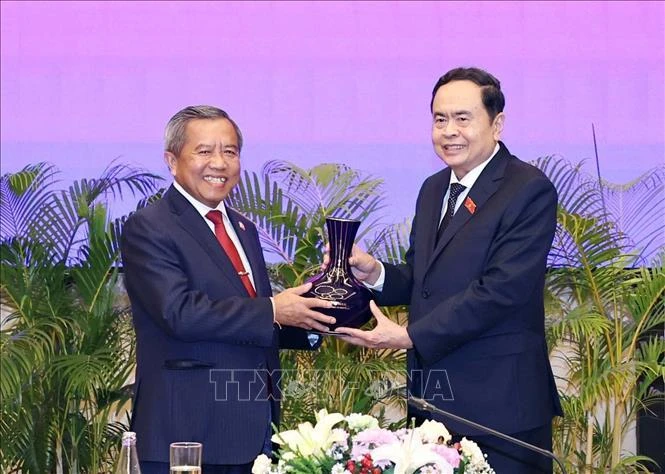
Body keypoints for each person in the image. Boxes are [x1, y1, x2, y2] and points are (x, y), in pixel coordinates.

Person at [335, 67, 563, 473]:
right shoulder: (434, 188)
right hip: (434, 405)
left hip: (499, 411)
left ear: (497, 124)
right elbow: (424, 280)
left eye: (463, 118)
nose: (449, 131)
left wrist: (409, 335)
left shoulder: (527, 188)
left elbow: (501, 290)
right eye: (440, 119)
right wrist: (376, 275)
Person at [121, 105, 336, 474]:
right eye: (204, 151)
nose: (219, 163)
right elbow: (180, 313)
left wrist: (314, 321)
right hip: (186, 435)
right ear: (172, 161)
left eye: (230, 151)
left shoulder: (243, 228)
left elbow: (247, 318)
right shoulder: (149, 227)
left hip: (252, 433)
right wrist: (273, 309)